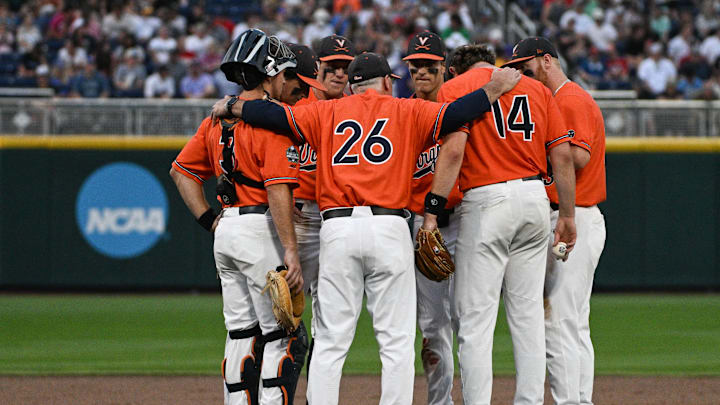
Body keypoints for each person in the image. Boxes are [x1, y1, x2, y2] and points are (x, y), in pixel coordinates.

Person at [210, 52, 522, 405]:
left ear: (352, 85)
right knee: (395, 341)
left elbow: (273, 115)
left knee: (330, 340)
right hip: (389, 227)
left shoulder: (326, 111)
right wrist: (493, 89)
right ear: (387, 82)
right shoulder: (407, 109)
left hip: (337, 229)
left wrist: (235, 107)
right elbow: (456, 114)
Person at [422, 43, 577, 405]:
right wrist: (567, 214)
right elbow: (562, 155)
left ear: (457, 69)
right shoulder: (536, 88)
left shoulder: (456, 88)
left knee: (474, 320)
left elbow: (454, 152)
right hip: (536, 199)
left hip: (487, 201)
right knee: (527, 316)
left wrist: (432, 212)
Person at [169, 30, 307, 405]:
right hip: (259, 229)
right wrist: (291, 249)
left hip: (227, 228)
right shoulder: (272, 122)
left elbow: (181, 172)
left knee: (241, 334)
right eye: (283, 73)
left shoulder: (215, 120)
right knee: (284, 337)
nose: (286, 81)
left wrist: (209, 221)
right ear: (269, 72)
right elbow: (278, 189)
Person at [503, 36, 607, 405]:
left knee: (558, 320)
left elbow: (576, 158)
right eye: (513, 68)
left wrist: (537, 152)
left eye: (523, 65)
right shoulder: (552, 99)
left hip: (573, 216)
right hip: (571, 216)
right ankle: (579, 400)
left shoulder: (570, 99)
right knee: (572, 322)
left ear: (546, 60)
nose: (518, 73)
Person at [403, 31, 460, 405]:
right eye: (415, 66)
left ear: (445, 69)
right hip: (418, 227)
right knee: (432, 325)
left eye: (429, 65)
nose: (422, 71)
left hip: (461, 221)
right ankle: (440, 402)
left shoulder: (460, 109)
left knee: (469, 320)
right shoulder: (401, 113)